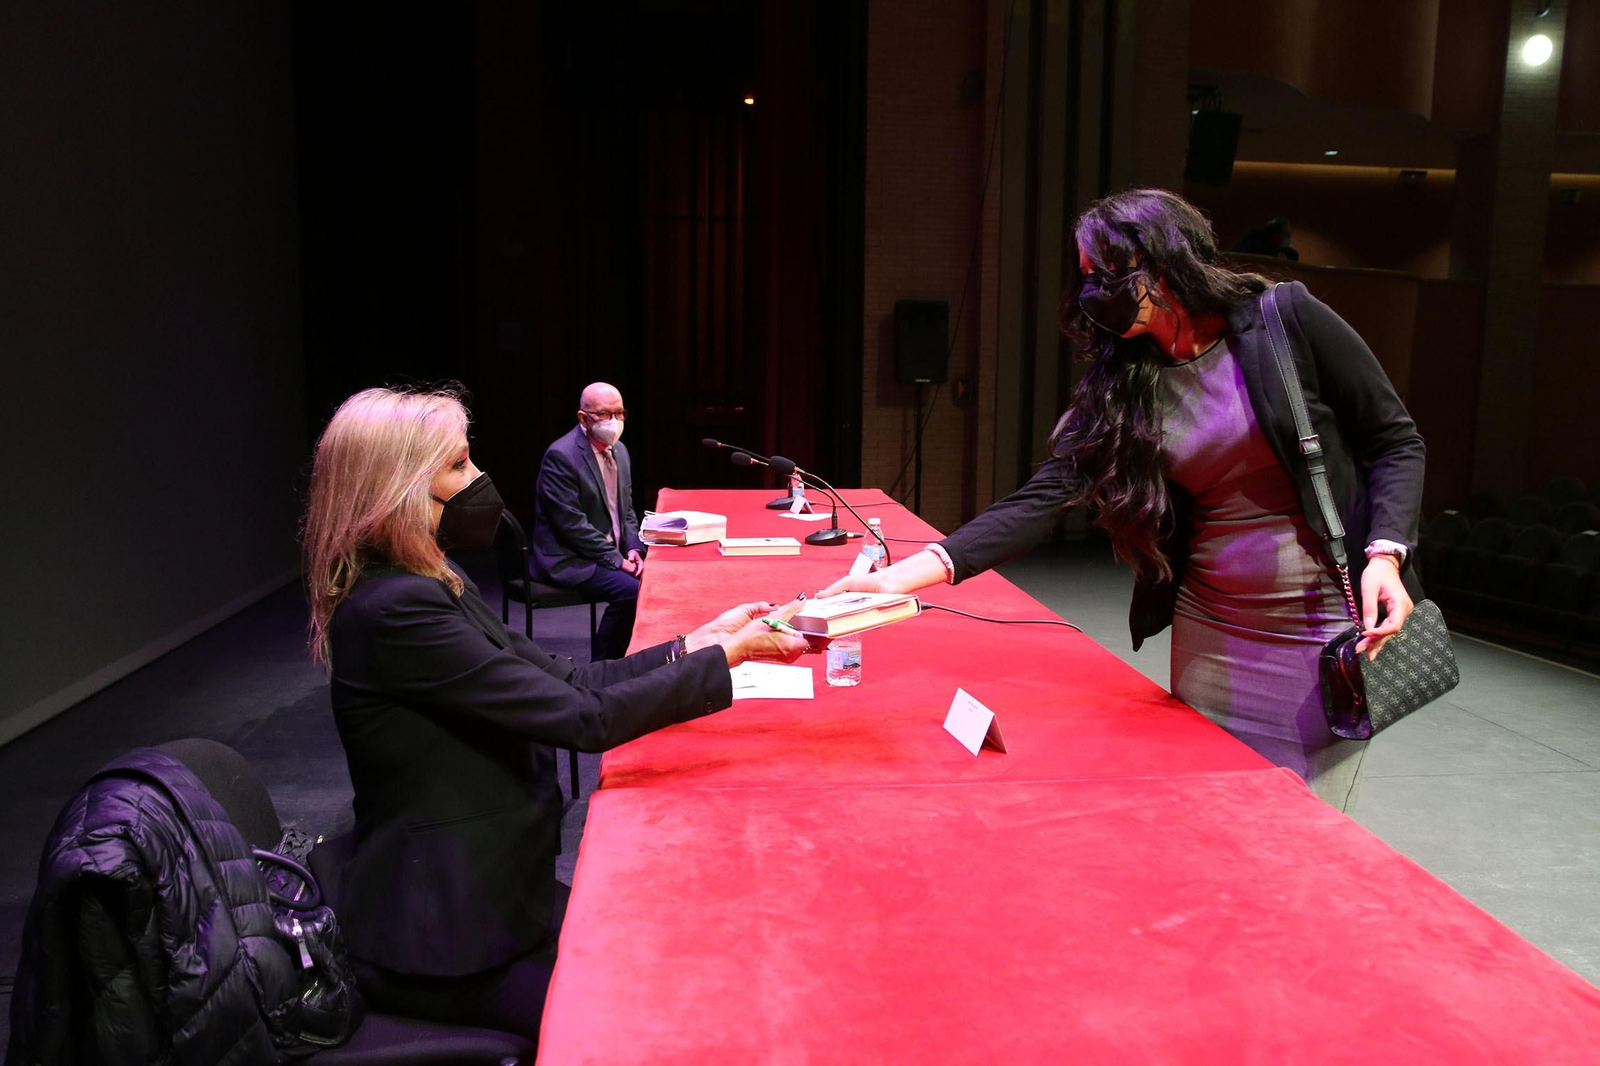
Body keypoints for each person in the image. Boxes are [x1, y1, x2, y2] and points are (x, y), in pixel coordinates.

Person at [825, 188, 1424, 811]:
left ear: (1168, 263)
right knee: (1208, 815)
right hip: (1211, 633)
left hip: (1321, 634)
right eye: (1083, 278)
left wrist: (1386, 554)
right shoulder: (1128, 376)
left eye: (1105, 274)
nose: (1091, 294)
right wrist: (901, 578)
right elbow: (1047, 493)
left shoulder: (1285, 320)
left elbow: (1395, 439)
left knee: (1303, 832)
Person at [302, 386, 808, 1041]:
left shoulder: (430, 585)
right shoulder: (396, 611)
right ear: (397, 490)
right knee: (642, 1025)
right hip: (447, 940)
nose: (480, 480)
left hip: (503, 898)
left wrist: (701, 642)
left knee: (665, 948)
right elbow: (583, 717)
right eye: (457, 467)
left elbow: (569, 677)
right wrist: (729, 659)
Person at [532, 381, 645, 660]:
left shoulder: (620, 451)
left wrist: (633, 548)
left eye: (620, 414)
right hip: (571, 557)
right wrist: (616, 560)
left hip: (609, 554)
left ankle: (632, 664)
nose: (615, 422)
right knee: (632, 591)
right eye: (605, 415)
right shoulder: (561, 456)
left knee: (657, 581)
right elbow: (571, 526)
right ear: (583, 418)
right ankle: (602, 667)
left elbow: (627, 509)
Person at [1230, 216, 1299, 260]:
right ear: (1276, 234)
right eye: (1286, 235)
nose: (1288, 238)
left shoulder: (1279, 248)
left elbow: (1293, 256)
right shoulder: (1253, 241)